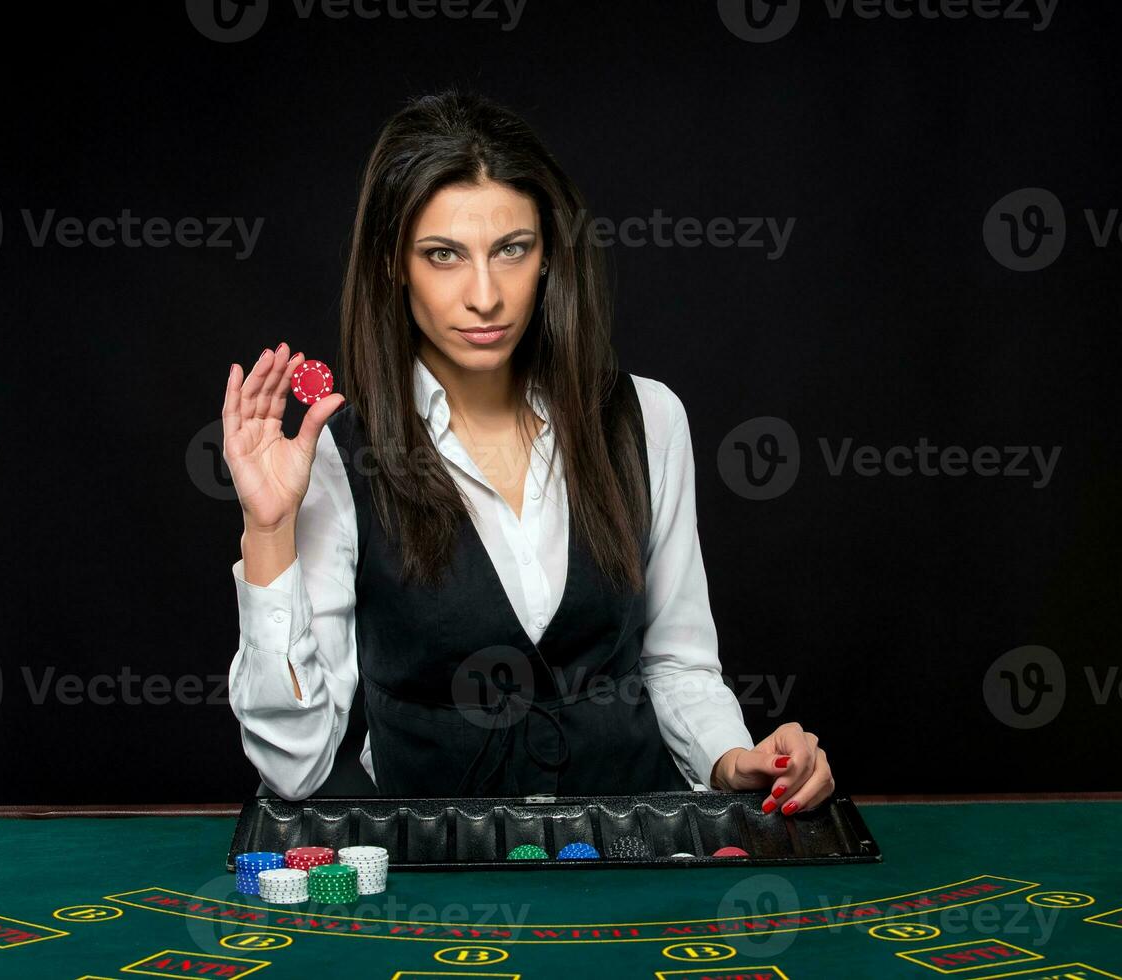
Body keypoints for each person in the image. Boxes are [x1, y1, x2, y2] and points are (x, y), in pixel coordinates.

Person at [221, 88, 833, 815]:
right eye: (443, 255)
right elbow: (295, 767)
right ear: (392, 264)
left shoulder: (650, 419)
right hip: (431, 887)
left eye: (512, 249)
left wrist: (736, 762)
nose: (486, 296)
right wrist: (268, 532)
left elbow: (678, 665)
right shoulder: (335, 455)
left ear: (548, 256)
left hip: (634, 861)